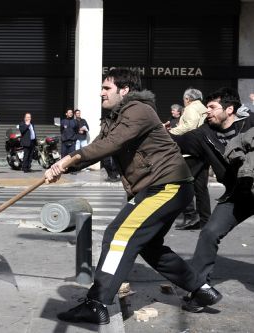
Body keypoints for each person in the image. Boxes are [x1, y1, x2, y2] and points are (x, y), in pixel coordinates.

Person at [44, 68, 221, 325]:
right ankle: (201, 290)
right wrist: (64, 166)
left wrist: (67, 160)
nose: (101, 93)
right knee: (148, 246)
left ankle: (97, 303)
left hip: (166, 185)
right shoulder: (115, 118)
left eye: (107, 88)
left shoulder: (138, 110)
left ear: (124, 90)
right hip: (158, 187)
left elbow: (108, 145)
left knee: (118, 235)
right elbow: (98, 146)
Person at [172, 87, 254, 311]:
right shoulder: (203, 134)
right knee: (209, 232)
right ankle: (200, 290)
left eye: (212, 107)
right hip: (237, 195)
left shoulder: (251, 124)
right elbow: (175, 143)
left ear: (229, 109)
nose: (207, 111)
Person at [170, 88, 211, 230]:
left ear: (188, 99)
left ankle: (190, 216)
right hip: (203, 151)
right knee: (201, 188)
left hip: (190, 153)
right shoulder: (203, 108)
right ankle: (205, 220)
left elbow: (190, 125)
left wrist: (172, 132)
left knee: (182, 184)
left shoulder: (190, 108)